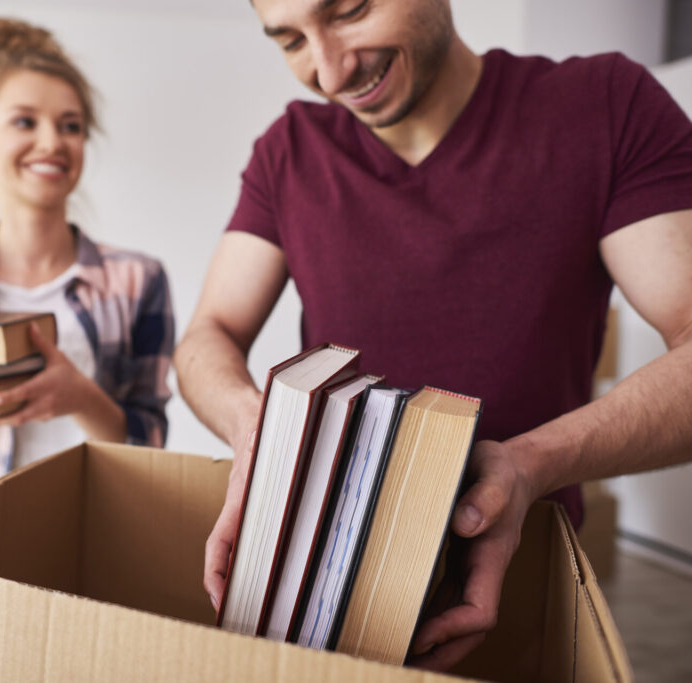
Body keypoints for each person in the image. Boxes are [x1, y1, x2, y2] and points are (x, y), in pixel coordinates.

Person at [174, 0, 692, 671]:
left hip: (522, 589)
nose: (330, 72)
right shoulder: (290, 149)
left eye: (351, 10)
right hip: (328, 600)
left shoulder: (605, 105)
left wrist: (528, 464)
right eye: (291, 40)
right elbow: (205, 336)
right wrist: (259, 432)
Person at [0, 17, 174, 514]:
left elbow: (150, 445)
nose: (51, 143)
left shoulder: (138, 280)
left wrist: (82, 398)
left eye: (71, 126)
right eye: (25, 122)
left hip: (89, 532)